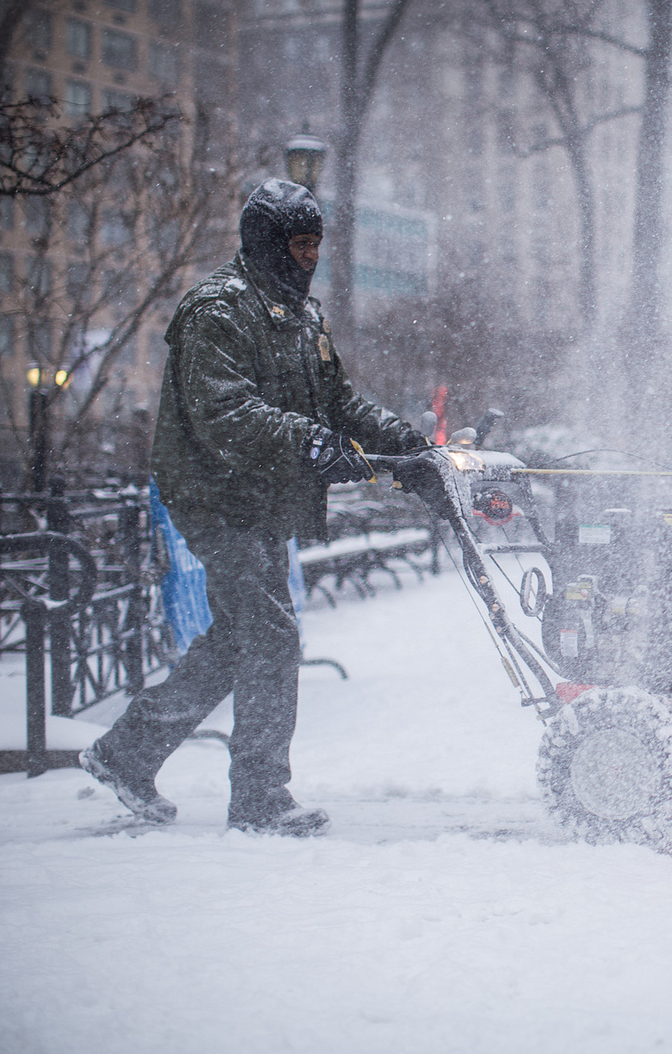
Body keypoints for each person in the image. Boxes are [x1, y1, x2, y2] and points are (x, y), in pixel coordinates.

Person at [80, 178, 429, 836]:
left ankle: (126, 752)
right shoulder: (218, 310)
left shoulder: (301, 317)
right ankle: (262, 795)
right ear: (268, 244)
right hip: (216, 496)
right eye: (300, 245)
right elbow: (226, 416)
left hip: (261, 497)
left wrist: (409, 450)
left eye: (316, 246)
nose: (310, 259)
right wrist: (312, 442)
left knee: (241, 637)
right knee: (271, 638)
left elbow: (340, 402)